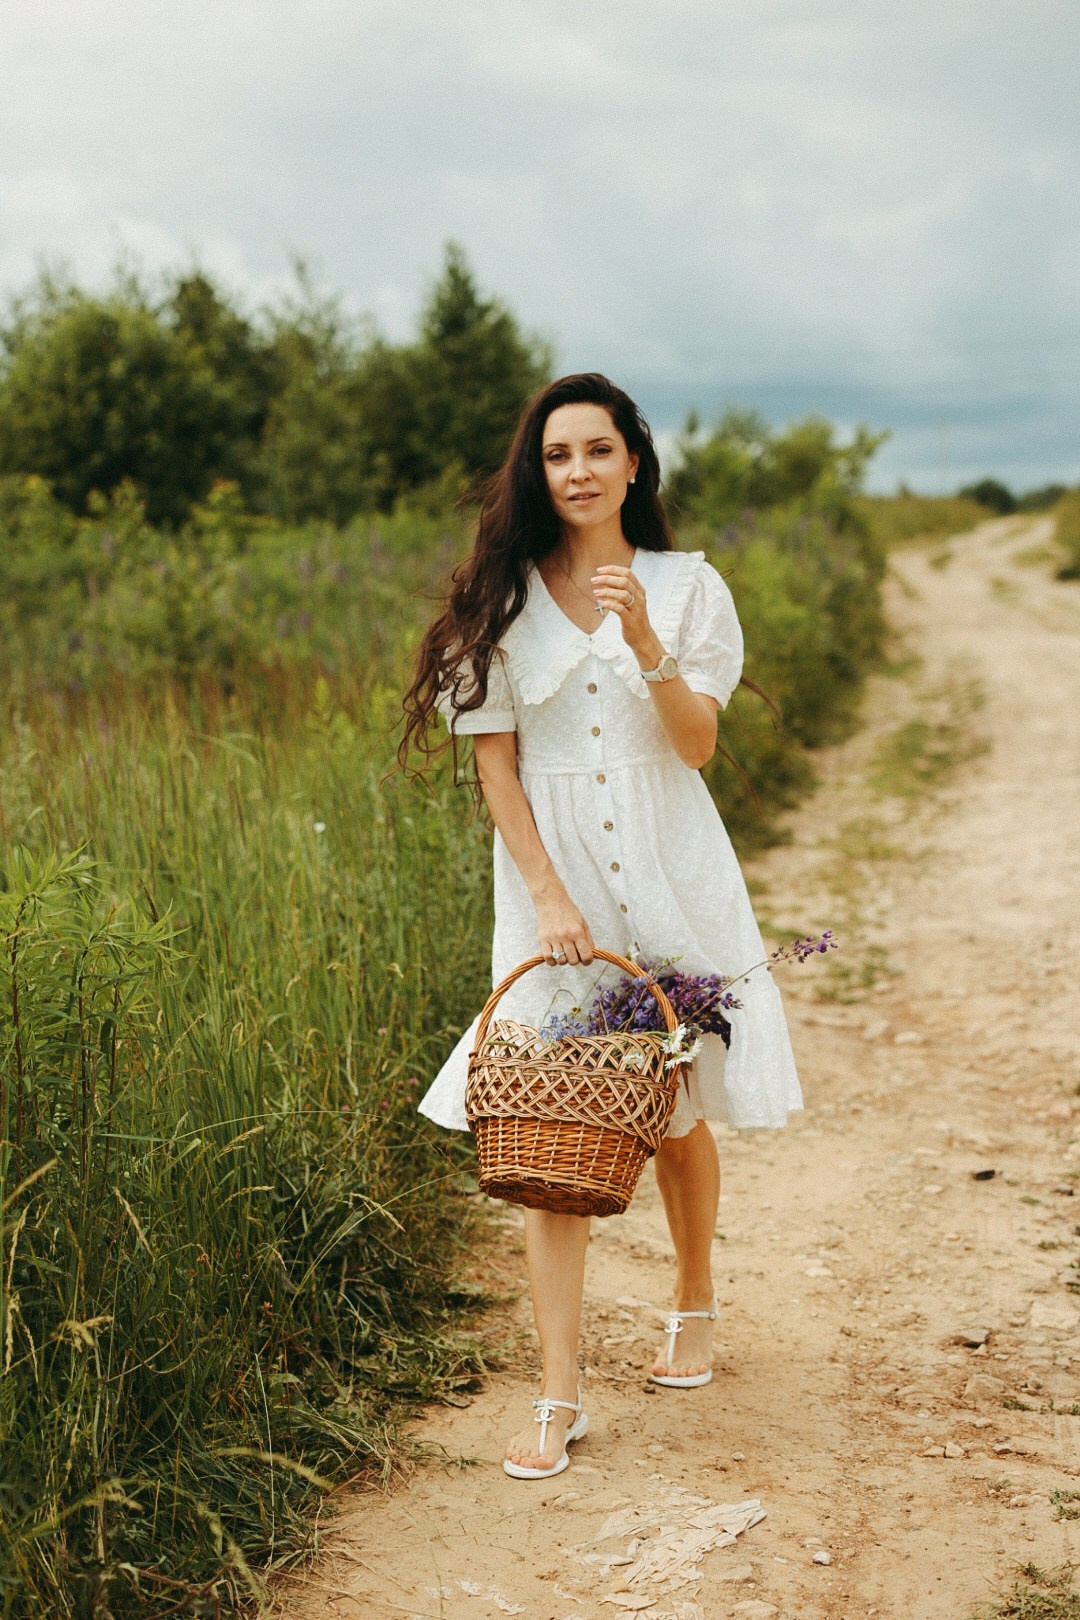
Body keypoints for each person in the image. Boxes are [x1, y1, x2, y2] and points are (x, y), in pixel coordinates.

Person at [401, 373, 802, 1480]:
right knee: (547, 1128)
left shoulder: (685, 587)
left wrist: (644, 640)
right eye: (556, 454)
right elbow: (496, 766)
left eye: (595, 450)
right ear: (539, 473)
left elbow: (698, 747)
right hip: (552, 882)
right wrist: (550, 896)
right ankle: (558, 1390)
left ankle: (692, 1293)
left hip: (673, 862)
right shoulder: (500, 599)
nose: (575, 471)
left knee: (672, 1103)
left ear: (634, 463)